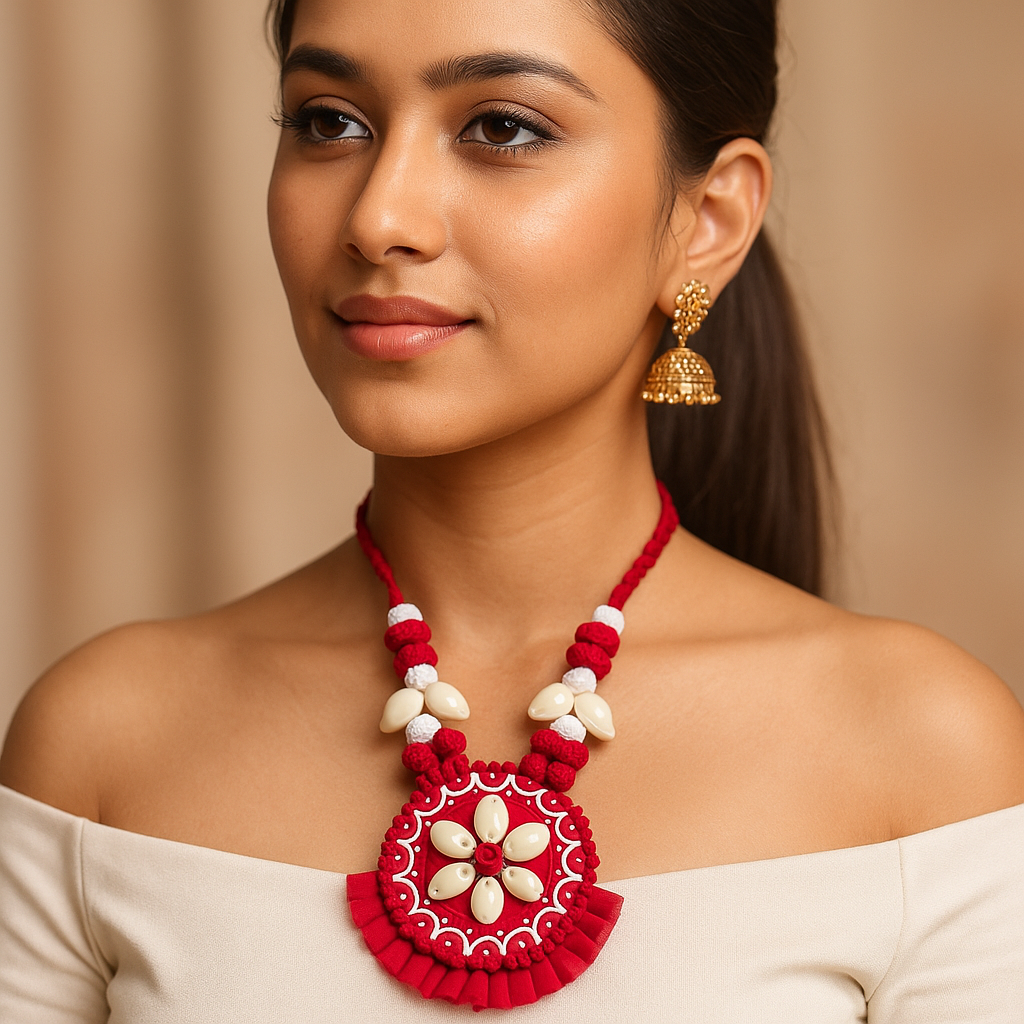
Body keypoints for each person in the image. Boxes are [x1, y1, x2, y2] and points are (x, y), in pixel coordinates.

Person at [2, 0, 1023, 1019]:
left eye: (501, 128)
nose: (377, 218)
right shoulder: (106, 748)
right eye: (328, 121)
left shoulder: (918, 753)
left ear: (706, 221)